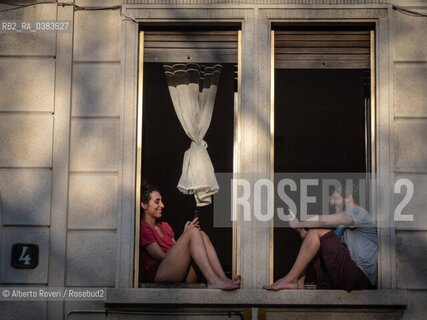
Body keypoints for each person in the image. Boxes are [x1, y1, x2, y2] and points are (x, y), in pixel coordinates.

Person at [263, 183, 378, 291]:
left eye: (335, 198)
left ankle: (290, 279)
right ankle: (299, 284)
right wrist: (300, 229)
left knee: (316, 231)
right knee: (313, 241)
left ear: (348, 198)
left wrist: (299, 224)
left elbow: (323, 220)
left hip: (359, 277)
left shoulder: (360, 213)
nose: (331, 203)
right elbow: (313, 243)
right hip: (344, 276)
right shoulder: (341, 228)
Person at [140, 184, 240, 290]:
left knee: (201, 235)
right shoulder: (143, 228)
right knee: (193, 232)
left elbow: (176, 253)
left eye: (161, 201)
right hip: (159, 274)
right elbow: (162, 257)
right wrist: (186, 236)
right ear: (144, 205)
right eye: (157, 201)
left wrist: (185, 238)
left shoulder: (165, 226)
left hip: (178, 272)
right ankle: (212, 280)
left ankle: (223, 278)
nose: (162, 205)